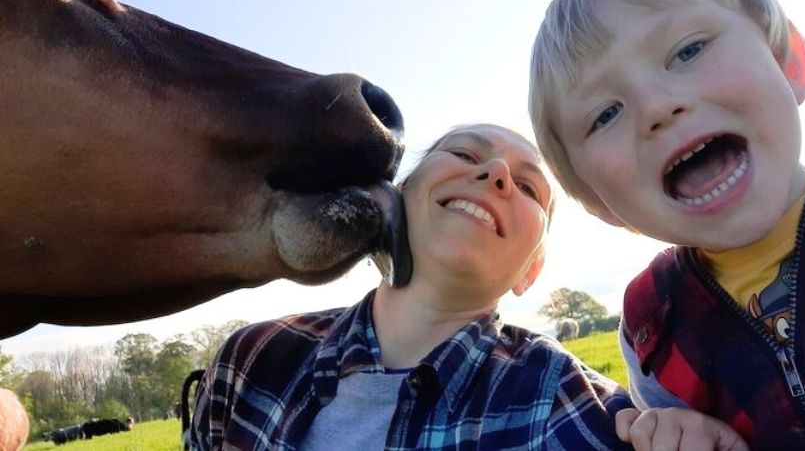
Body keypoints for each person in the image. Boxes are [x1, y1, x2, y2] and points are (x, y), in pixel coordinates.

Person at [529, 0, 805, 449]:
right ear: (600, 203)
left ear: (788, 60)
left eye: (688, 51)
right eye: (605, 113)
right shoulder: (652, 329)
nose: (658, 107)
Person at [189, 123, 744, 450]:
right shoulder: (251, 360)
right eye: (464, 154)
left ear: (532, 270)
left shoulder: (567, 407)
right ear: (396, 196)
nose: (497, 173)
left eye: (528, 187)